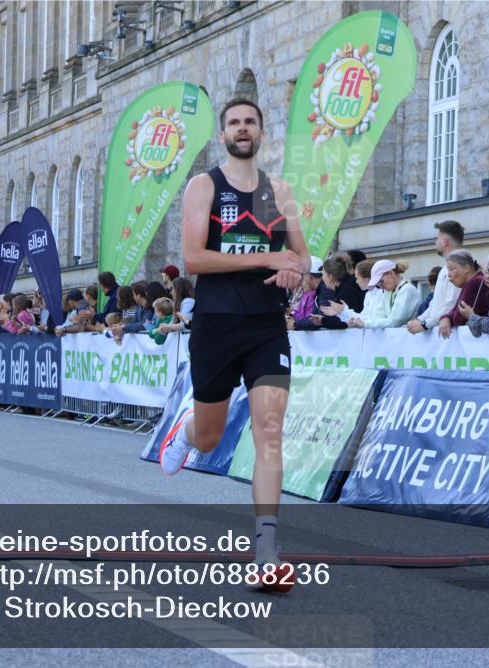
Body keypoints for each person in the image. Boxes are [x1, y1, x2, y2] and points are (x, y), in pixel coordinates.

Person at [159, 98, 310, 591]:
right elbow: (194, 258)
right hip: (217, 324)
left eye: (250, 122)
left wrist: (293, 271)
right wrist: (269, 257)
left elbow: (302, 259)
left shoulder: (277, 192)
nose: (242, 129)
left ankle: (266, 549)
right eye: (234, 123)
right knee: (209, 438)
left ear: (262, 132)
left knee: (269, 427)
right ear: (222, 133)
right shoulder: (205, 186)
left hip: (266, 326)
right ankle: (186, 430)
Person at [406, 220, 465, 334]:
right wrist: (420, 320)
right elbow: (435, 303)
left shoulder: (461, 267)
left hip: (448, 335)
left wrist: (425, 324)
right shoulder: (444, 269)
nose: (435, 242)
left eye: (437, 238)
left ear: (444, 241)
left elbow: (452, 303)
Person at [349, 260, 420, 329]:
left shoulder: (407, 290)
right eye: (378, 283)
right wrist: (358, 321)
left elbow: (394, 321)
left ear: (391, 273)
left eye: (381, 281)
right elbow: (379, 316)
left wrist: (364, 323)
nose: (380, 286)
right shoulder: (388, 291)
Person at [438, 250, 489, 339]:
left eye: (451, 269)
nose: (449, 275)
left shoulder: (475, 282)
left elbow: (458, 318)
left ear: (466, 268)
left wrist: (447, 317)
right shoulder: (474, 281)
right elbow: (455, 311)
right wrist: (445, 317)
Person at [320, 258, 388, 325]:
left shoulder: (381, 293)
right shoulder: (368, 294)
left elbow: (372, 320)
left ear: (367, 279)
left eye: (357, 278)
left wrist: (344, 311)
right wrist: (341, 313)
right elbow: (362, 318)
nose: (356, 281)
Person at [310, 255, 365, 330]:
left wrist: (322, 320)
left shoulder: (345, 292)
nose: (322, 278)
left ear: (330, 276)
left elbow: (346, 322)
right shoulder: (344, 287)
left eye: (323, 275)